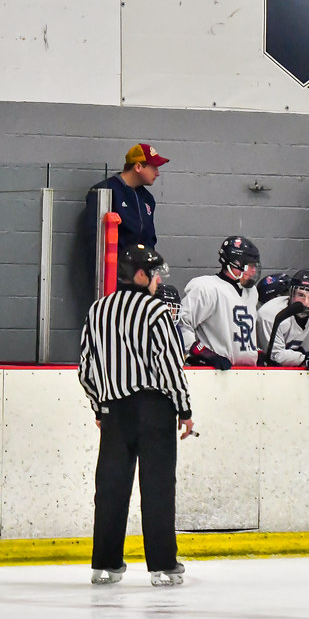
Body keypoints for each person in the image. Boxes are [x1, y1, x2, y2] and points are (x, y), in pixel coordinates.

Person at [78, 244, 193, 587]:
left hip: (114, 410)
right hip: (154, 410)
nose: (158, 280)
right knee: (157, 487)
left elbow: (86, 368)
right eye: (155, 274)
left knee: (110, 488)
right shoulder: (156, 311)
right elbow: (170, 365)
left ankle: (105, 565)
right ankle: (162, 567)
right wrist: (184, 408)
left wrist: (100, 407)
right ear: (141, 275)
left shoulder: (98, 309)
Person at [178, 236, 261, 369]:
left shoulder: (252, 292)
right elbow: (181, 324)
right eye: (250, 266)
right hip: (215, 373)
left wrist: (256, 353)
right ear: (234, 263)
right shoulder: (206, 288)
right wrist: (202, 353)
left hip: (249, 372)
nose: (253, 271)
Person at [85, 144, 169, 250]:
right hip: (114, 260)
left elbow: (149, 238)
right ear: (138, 167)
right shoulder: (105, 191)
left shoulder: (147, 198)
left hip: (140, 260)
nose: (157, 173)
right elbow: (94, 239)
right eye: (154, 167)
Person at [257, 269, 309, 366]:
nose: (305, 303)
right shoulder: (270, 313)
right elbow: (276, 355)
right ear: (291, 294)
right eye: (301, 295)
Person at [155, 284, 184, 350]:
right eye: (168, 306)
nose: (173, 311)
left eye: (175, 306)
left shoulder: (176, 329)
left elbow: (182, 354)